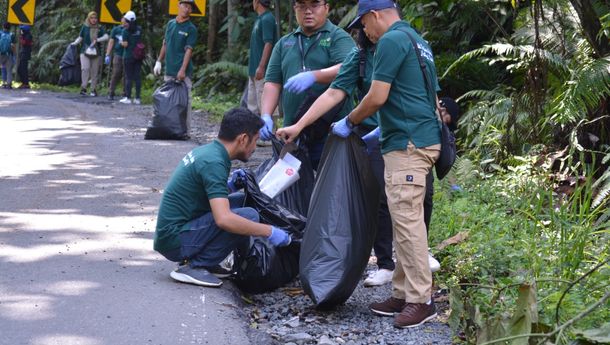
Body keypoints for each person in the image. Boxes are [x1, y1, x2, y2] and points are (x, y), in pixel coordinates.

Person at [276, 27, 443, 288]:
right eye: (363, 28)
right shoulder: (361, 57)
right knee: (382, 199)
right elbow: (334, 92)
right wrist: (299, 125)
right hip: (372, 136)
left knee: (423, 195)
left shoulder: (407, 47)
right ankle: (387, 263)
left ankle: (418, 254)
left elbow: (426, 94)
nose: (366, 30)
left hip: (409, 134)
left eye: (367, 23)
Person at [332, 0, 442, 328]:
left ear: (374, 15)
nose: (365, 32)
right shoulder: (418, 42)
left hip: (407, 142)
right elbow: (431, 97)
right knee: (402, 218)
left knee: (407, 222)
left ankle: (421, 300)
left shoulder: (392, 40)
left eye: (364, 25)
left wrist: (350, 121)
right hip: (418, 137)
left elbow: (377, 96)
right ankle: (402, 292)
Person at [153, 107, 292, 287]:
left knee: (242, 200)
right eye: (255, 141)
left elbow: (204, 194)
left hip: (179, 229)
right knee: (247, 215)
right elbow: (223, 220)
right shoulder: (214, 162)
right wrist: (269, 231)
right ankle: (196, 265)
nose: (254, 148)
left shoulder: (211, 152)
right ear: (243, 139)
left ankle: (211, 260)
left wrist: (231, 186)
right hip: (174, 240)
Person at [259, 0, 355, 169]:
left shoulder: (338, 37)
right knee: (290, 189)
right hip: (291, 133)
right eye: (302, 6)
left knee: (329, 190)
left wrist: (314, 76)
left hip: (329, 132)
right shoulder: (284, 43)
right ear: (295, 9)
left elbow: (347, 68)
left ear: (326, 8)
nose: (308, 11)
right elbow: (273, 83)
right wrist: (266, 115)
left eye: (314, 5)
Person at [153, 0, 198, 136]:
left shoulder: (191, 28)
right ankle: (169, 129)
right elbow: (165, 44)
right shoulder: (171, 24)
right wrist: (159, 61)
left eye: (189, 7)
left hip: (183, 72)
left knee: (185, 102)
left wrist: (183, 70)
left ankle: (185, 131)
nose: (187, 9)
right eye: (185, 6)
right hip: (169, 69)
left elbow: (188, 50)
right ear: (179, 6)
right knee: (168, 101)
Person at [248, 0, 278, 146]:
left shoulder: (267, 18)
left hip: (263, 69)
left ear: (257, 2)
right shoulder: (259, 19)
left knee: (264, 101)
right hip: (253, 69)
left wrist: (262, 66)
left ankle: (269, 134)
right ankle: (255, 135)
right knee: (253, 105)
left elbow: (268, 43)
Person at [71, 11, 108, 96]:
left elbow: (106, 36)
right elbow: (80, 37)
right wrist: (74, 43)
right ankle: (83, 88)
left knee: (95, 71)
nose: (94, 20)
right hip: (84, 51)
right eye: (92, 18)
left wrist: (98, 40)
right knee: (85, 69)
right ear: (89, 18)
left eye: (95, 18)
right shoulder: (85, 27)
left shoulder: (99, 27)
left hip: (96, 52)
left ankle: (93, 89)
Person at [119, 11, 143, 105]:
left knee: (129, 77)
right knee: (137, 77)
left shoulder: (125, 31)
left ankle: (128, 98)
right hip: (139, 55)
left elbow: (125, 44)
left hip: (128, 56)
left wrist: (121, 42)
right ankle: (137, 98)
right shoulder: (139, 29)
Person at [105, 17, 128, 100]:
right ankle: (111, 91)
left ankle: (125, 93)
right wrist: (107, 54)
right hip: (118, 53)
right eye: (123, 19)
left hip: (127, 54)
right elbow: (111, 41)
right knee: (116, 73)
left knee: (126, 74)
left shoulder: (131, 29)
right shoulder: (116, 29)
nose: (124, 21)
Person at [0, 22, 16, 89]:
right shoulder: (12, 35)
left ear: (3, 26)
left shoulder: (0, 33)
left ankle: (3, 83)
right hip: (8, 54)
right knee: (9, 70)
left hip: (0, 54)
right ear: (10, 28)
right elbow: (13, 46)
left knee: (3, 68)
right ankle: (9, 84)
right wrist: (14, 55)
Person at [17, 25, 33, 89]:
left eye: (22, 30)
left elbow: (23, 43)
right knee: (20, 69)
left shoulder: (28, 36)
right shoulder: (25, 35)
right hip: (24, 53)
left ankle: (26, 84)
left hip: (26, 54)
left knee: (23, 69)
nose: (21, 31)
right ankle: (24, 83)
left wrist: (21, 37)